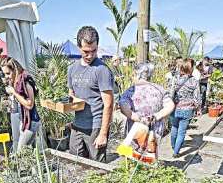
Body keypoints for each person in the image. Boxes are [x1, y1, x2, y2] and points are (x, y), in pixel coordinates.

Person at [67, 26, 114, 162]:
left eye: (94, 51)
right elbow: (71, 95)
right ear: (78, 47)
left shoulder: (102, 70)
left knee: (97, 168)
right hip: (77, 125)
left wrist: (103, 134)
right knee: (75, 163)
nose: (90, 55)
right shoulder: (72, 69)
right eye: (86, 51)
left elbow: (109, 104)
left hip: (95, 127)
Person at [119, 63, 175, 158]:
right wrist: (157, 116)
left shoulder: (131, 90)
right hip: (155, 127)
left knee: (133, 154)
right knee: (151, 153)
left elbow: (123, 105)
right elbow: (170, 105)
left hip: (135, 128)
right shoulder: (159, 89)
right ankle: (150, 169)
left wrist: (136, 117)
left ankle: (132, 170)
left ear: (137, 74)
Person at [1, 57, 44, 151]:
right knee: (31, 152)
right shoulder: (17, 82)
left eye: (8, 73)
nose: (7, 76)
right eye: (4, 74)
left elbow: (29, 104)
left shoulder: (26, 82)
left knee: (20, 152)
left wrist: (14, 93)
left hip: (31, 122)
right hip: (25, 121)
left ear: (15, 69)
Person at [170, 58, 201, 158]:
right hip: (187, 109)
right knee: (182, 132)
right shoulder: (194, 81)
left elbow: (170, 93)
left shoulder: (175, 79)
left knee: (174, 128)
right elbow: (197, 98)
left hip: (175, 107)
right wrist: (197, 108)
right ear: (190, 68)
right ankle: (176, 152)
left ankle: (173, 146)